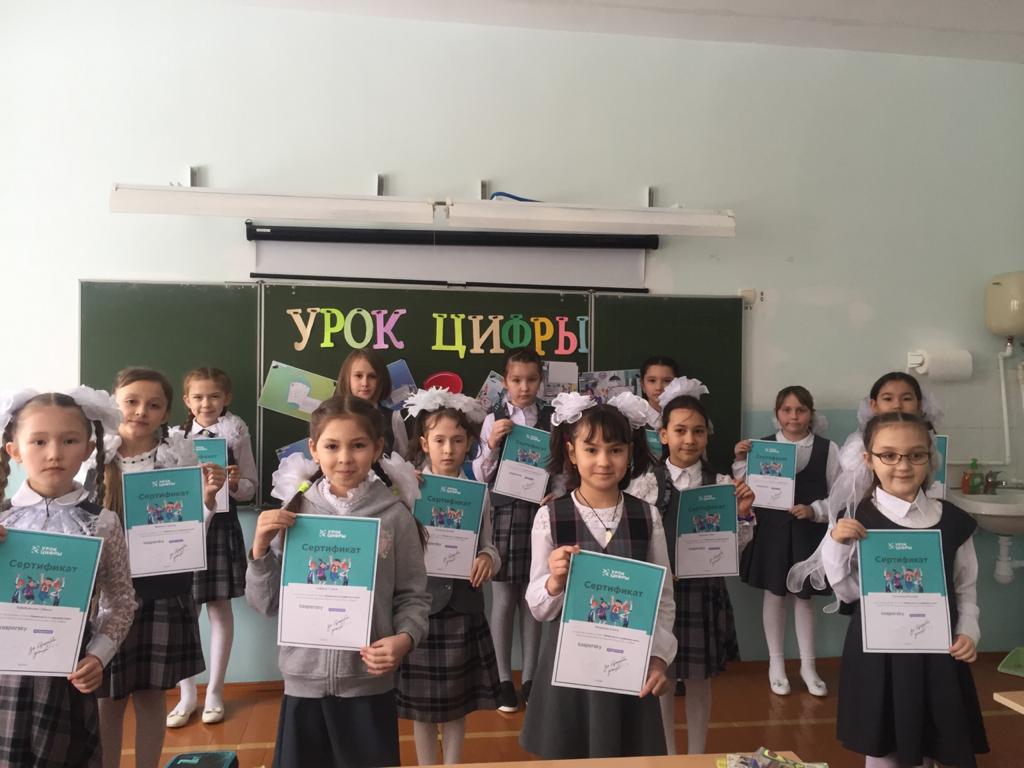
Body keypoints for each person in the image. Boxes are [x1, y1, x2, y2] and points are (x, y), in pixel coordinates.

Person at [246, 395, 430, 768]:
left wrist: (405, 638)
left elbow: (413, 596)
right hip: (303, 683)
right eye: (332, 446)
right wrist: (260, 550)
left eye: (358, 445)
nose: (345, 457)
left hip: (368, 684)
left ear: (377, 448)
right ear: (314, 449)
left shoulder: (395, 517)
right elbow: (265, 604)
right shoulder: (294, 513)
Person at [823, 411, 988, 768]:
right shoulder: (856, 519)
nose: (903, 465)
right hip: (879, 656)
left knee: (938, 741)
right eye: (889, 455)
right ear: (869, 460)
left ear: (930, 458)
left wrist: (968, 631)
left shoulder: (952, 520)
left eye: (916, 455)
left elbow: (965, 586)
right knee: (883, 749)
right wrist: (836, 545)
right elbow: (848, 593)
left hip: (939, 653)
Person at [0, 388, 136, 767]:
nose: (54, 453)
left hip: (68, 675)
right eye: (39, 441)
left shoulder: (102, 523)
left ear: (88, 448)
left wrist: (99, 656)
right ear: (14, 450)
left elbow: (121, 602)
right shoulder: (2, 520)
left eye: (69, 440)